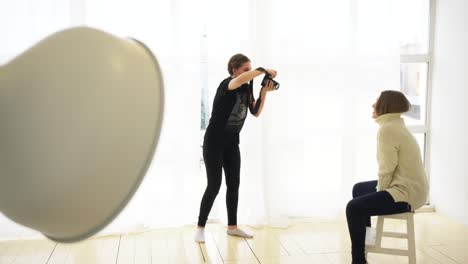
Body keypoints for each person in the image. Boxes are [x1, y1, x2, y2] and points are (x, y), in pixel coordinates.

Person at [194, 53, 277, 243]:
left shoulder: (247, 89)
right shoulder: (227, 84)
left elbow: (255, 112)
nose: (250, 73)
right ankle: (200, 227)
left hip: (232, 143)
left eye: (251, 68)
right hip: (214, 142)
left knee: (234, 185)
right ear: (234, 71)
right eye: (246, 69)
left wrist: (263, 93)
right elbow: (241, 80)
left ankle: (232, 227)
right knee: (214, 185)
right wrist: (263, 70)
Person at [346, 90, 429, 264]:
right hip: (410, 187)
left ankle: (358, 259)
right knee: (359, 189)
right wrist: (377, 195)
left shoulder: (388, 130)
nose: (373, 105)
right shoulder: (396, 126)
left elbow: (386, 169)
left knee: (354, 208)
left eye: (376, 101)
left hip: (407, 193)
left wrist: (380, 194)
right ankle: (367, 243)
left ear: (385, 106)